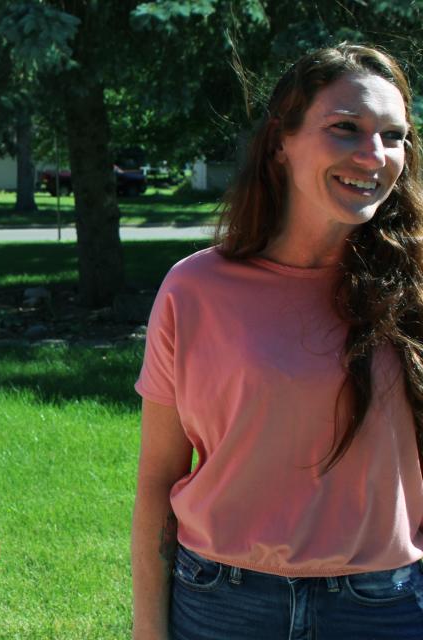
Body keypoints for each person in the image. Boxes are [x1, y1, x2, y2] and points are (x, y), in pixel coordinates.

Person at [131, 43, 423, 639]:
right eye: (346, 128)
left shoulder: (415, 290)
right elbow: (159, 479)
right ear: (280, 142)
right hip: (220, 604)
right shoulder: (194, 290)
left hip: (385, 609)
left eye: (393, 136)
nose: (374, 155)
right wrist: (148, 629)